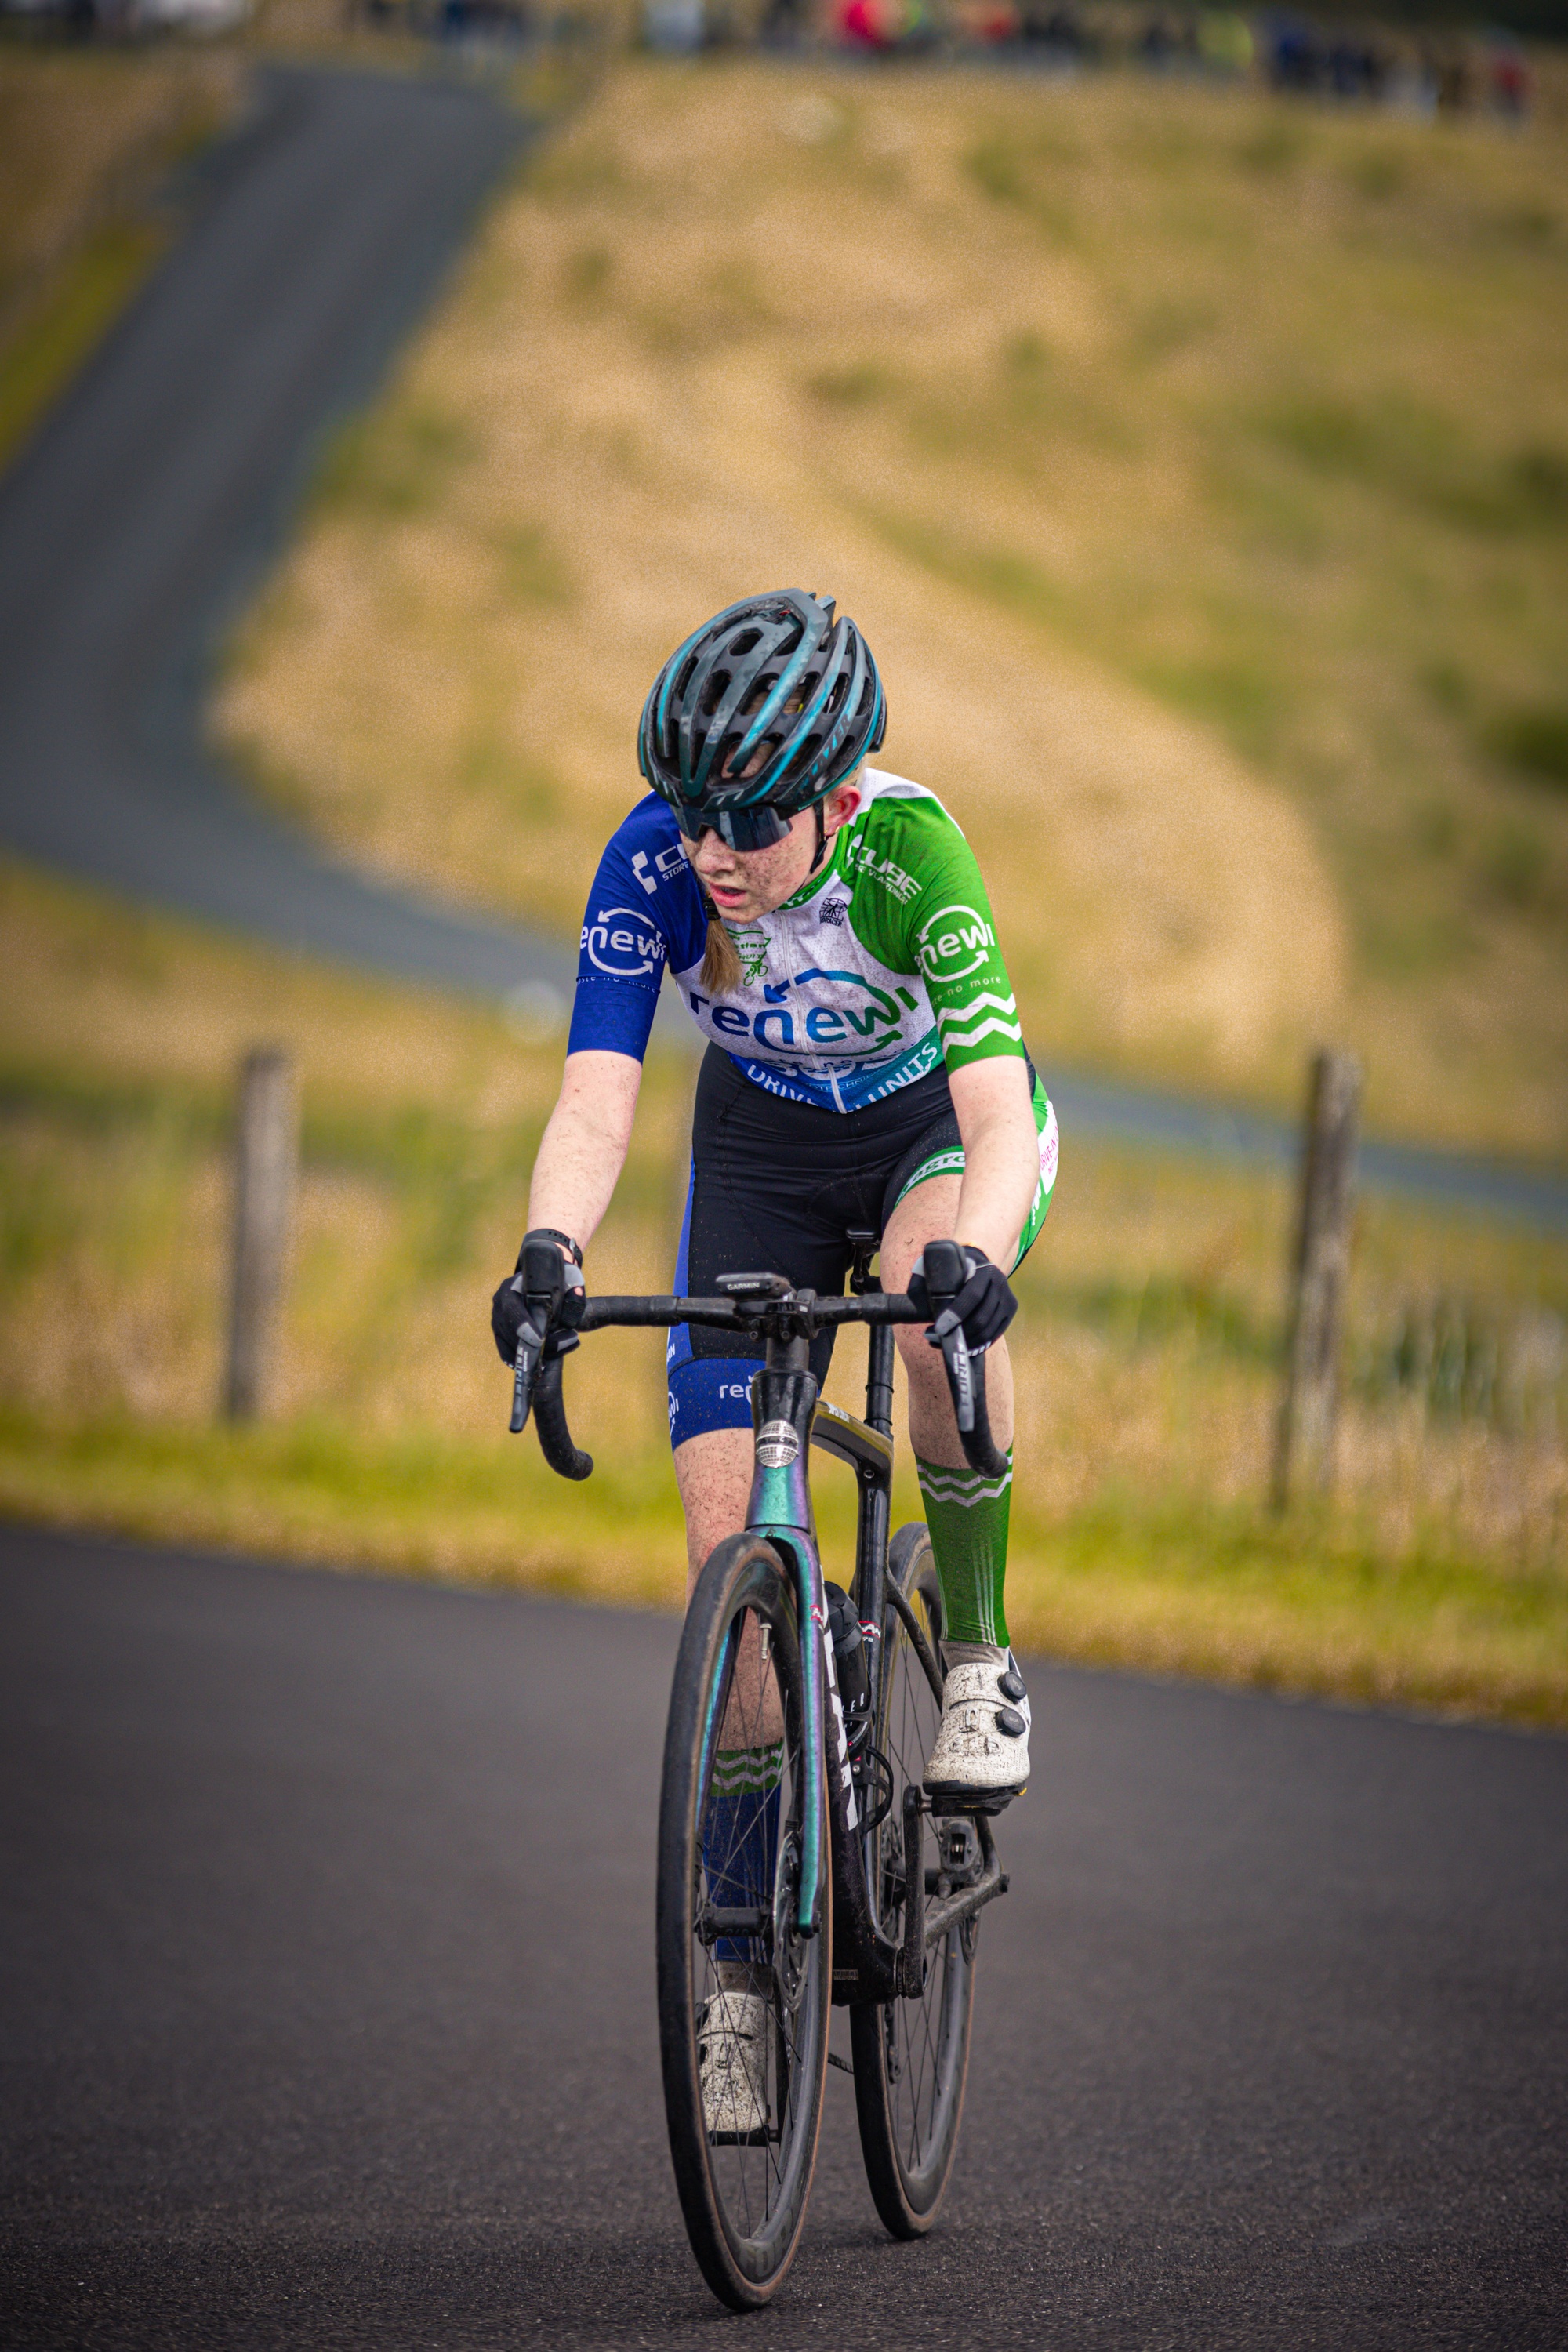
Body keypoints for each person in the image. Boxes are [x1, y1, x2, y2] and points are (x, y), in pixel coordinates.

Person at [492, 590, 1056, 2119]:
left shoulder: (911, 852)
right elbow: (598, 1098)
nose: (709, 850)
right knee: (724, 1557)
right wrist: (551, 1254)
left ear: (835, 796)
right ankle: (738, 1969)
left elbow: (999, 1116)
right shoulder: (655, 859)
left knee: (922, 1315)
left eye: (745, 816)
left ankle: (984, 1656)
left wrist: (975, 1263)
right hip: (754, 1145)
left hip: (923, 1135)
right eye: (690, 813)